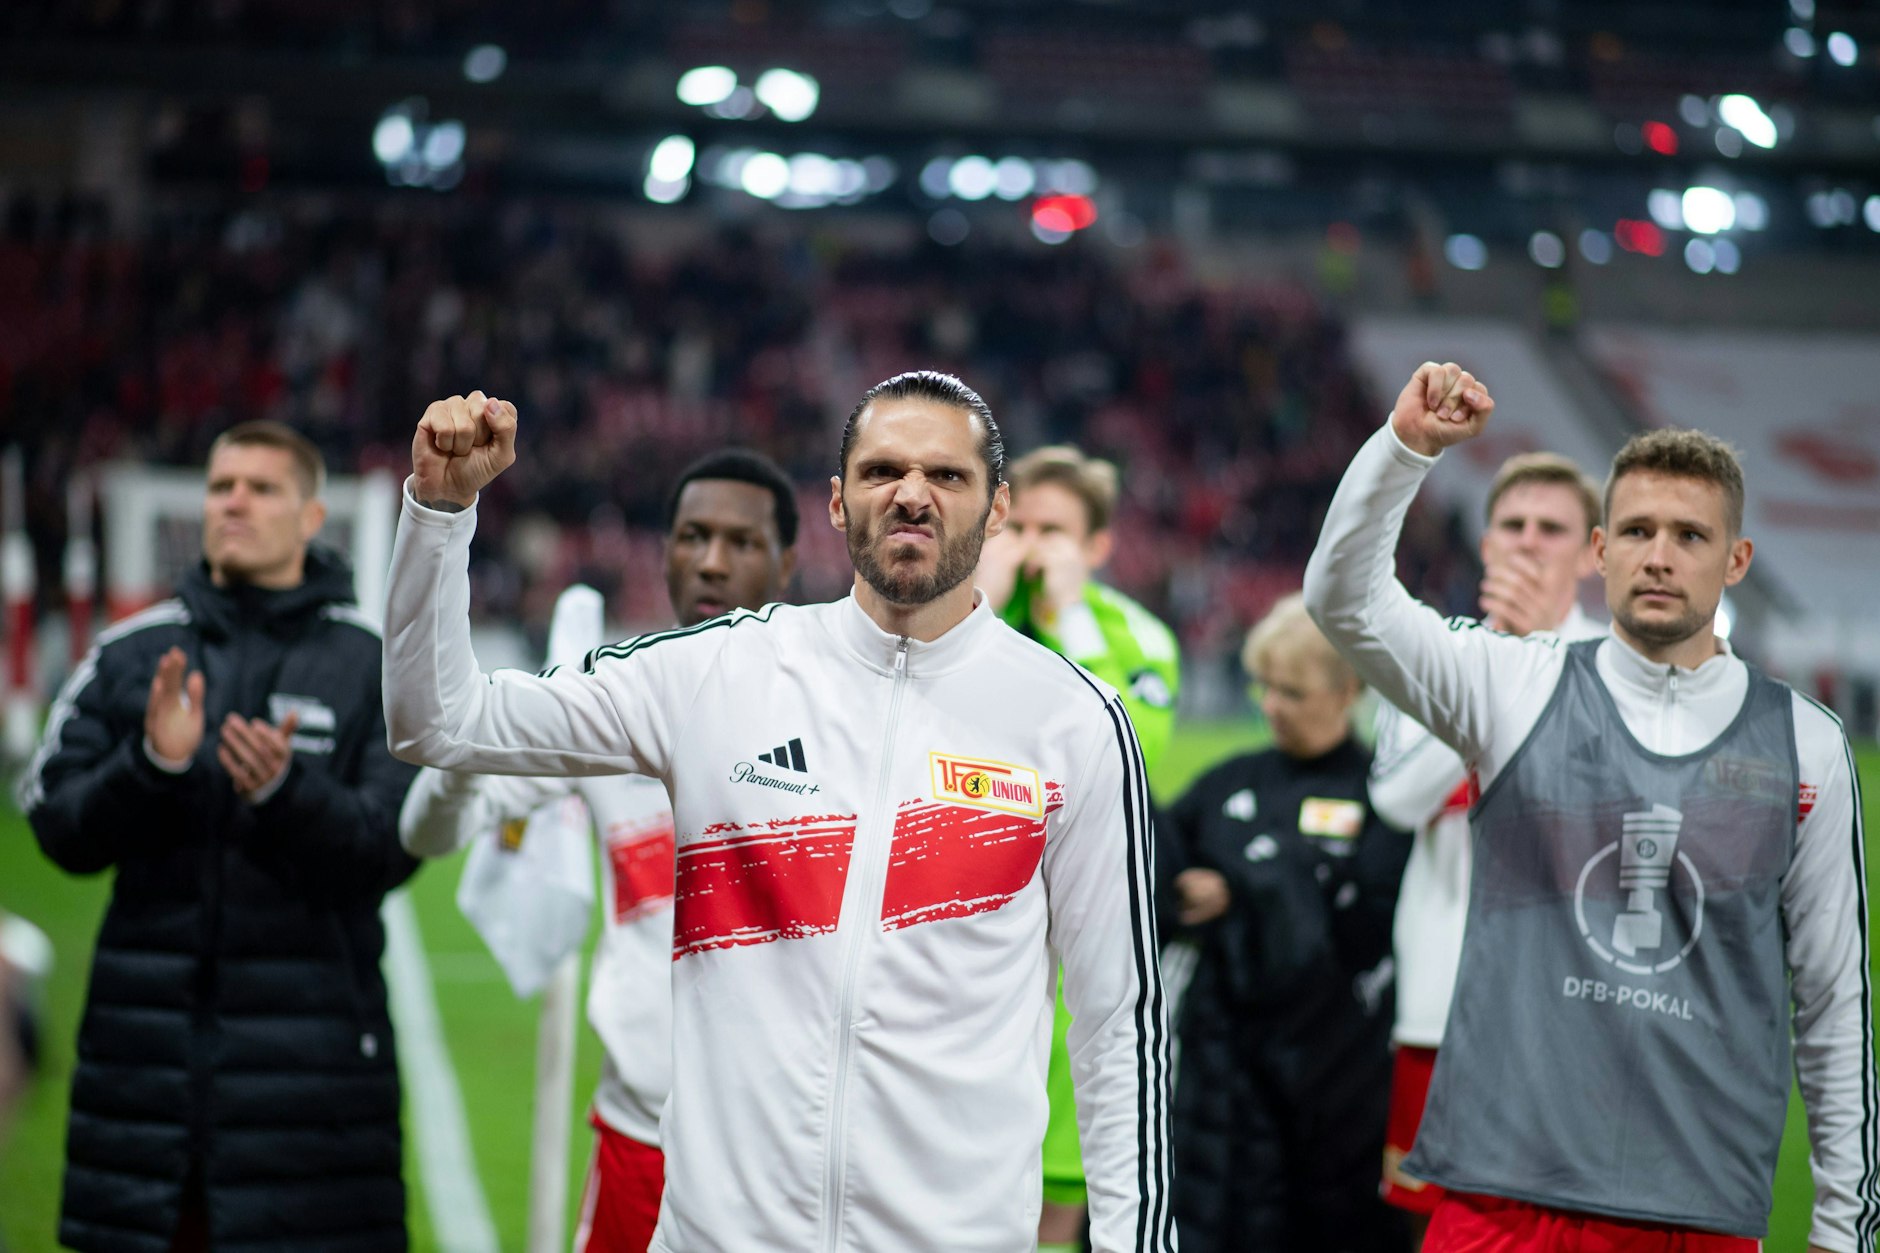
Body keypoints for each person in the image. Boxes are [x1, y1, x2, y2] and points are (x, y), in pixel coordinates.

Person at [382, 374, 1174, 1252]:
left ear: (997, 510)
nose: (910, 494)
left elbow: (1119, 1023)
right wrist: (438, 516)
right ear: (837, 504)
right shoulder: (720, 671)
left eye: (946, 476)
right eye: (881, 471)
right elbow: (437, 719)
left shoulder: (1074, 719)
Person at [1304, 362, 1877, 1253]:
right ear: (1602, 550)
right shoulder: (1511, 683)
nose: (1659, 554)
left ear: (1737, 560)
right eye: (1639, 529)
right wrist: (1404, 450)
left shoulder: (1806, 745)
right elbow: (1344, 601)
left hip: (1697, 1209)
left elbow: (1836, 1003)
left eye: (1690, 534)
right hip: (1499, 1198)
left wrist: (1843, 1232)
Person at [20, 421, 419, 1252]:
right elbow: (55, 824)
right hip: (143, 1091)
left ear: (313, 516)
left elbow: (393, 844)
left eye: (262, 486)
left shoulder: (371, 666)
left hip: (312, 1107)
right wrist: (150, 767)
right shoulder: (130, 655)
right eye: (220, 485)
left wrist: (285, 790)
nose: (233, 500)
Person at [398, 449, 800, 1253]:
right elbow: (426, 833)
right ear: (665, 552)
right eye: (692, 536)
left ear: (789, 560)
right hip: (638, 1139)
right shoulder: (620, 700)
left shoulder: (828, 713)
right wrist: (466, 761)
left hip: (784, 1160)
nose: (712, 560)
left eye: (741, 541)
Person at [1371, 452, 1606, 1234]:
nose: (1529, 543)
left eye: (1552, 528)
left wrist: (1536, 652)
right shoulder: (1436, 653)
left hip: (1579, 1008)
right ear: (1487, 540)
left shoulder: (1626, 668)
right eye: (1513, 524)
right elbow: (1396, 798)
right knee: (1434, 1225)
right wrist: (1502, 654)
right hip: (1443, 1001)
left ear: (1591, 550)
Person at [975, 444, 1182, 1250]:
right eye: (1015, 523)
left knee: (1057, 1193)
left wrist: (1066, 621)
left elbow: (1136, 756)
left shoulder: (1136, 636)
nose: (1028, 544)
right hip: (973, 929)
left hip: (1076, 940)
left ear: (1097, 547)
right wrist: (982, 609)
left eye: (1053, 529)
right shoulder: (963, 623)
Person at [1163, 594, 1409, 1253]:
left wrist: (1243, 886)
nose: (1271, 705)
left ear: (1348, 689)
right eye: (1265, 686)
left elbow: (1362, 936)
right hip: (1220, 1095)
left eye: (1292, 691)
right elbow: (1151, 859)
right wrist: (1182, 889)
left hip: (1336, 1098)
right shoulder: (1227, 783)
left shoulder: (1383, 799)